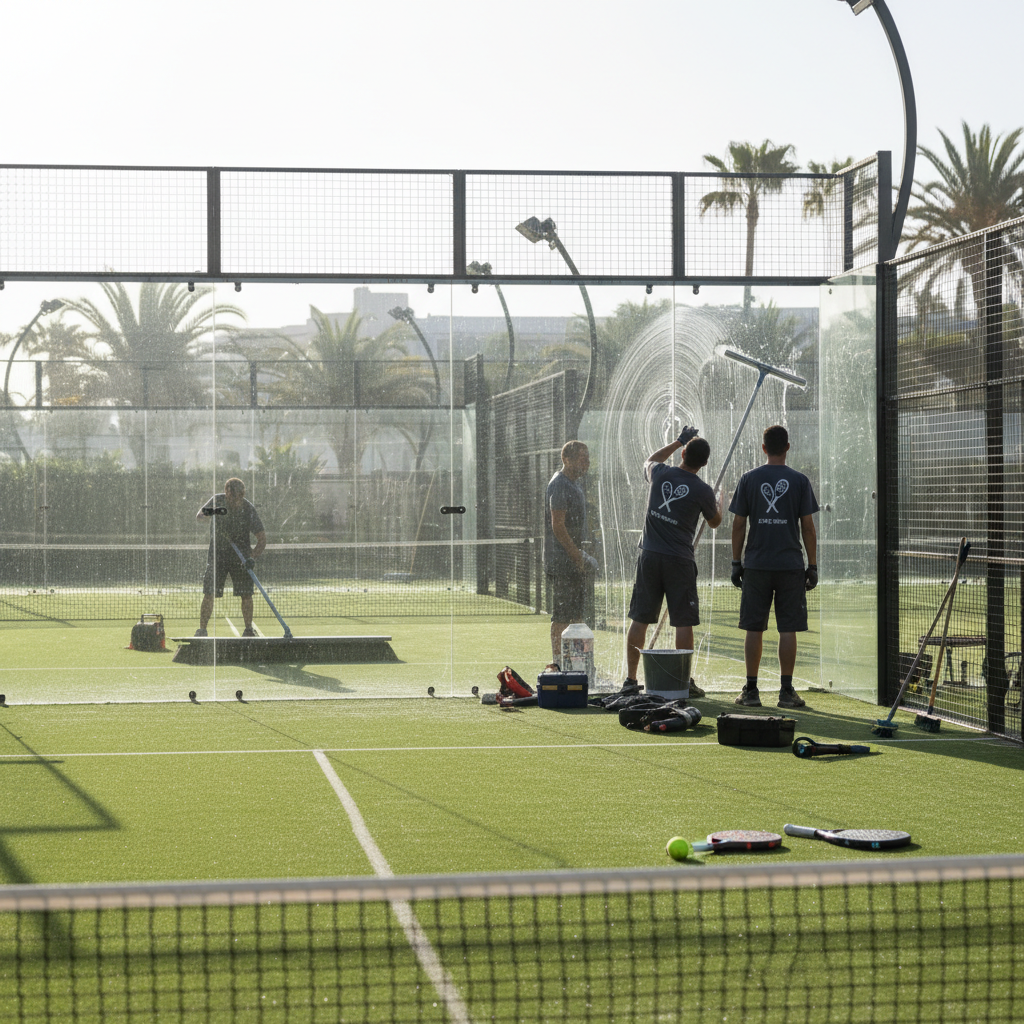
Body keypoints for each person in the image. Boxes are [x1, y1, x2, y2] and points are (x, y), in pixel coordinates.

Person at [623, 427, 722, 693]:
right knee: (683, 621)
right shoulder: (703, 490)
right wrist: (720, 503)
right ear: (704, 463)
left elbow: (650, 460)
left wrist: (678, 441)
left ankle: (631, 681)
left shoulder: (660, 472)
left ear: (683, 453)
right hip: (679, 561)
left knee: (639, 618)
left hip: (650, 556)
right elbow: (714, 522)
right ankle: (682, 683)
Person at [729, 424, 818, 709]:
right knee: (787, 628)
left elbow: (739, 523)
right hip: (791, 564)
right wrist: (813, 565)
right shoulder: (800, 480)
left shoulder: (748, 479)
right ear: (788, 447)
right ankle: (786, 691)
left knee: (754, 628)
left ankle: (752, 691)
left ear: (763, 447)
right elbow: (808, 528)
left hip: (756, 565)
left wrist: (735, 562)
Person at [544, 440, 597, 664]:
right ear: (567, 459)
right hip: (563, 563)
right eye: (582, 459)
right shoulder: (559, 484)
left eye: (587, 458)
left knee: (577, 617)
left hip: (575, 563)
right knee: (562, 617)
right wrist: (577, 556)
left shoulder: (575, 484)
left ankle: (578, 663)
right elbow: (558, 525)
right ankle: (557, 664)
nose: (586, 463)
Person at [195, 477, 266, 637]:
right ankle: (202, 630)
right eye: (228, 496)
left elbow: (262, 539)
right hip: (217, 557)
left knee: (246, 594)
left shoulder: (248, 509)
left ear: (242, 494)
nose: (231, 500)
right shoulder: (218, 500)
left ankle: (248, 630)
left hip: (241, 560)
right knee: (209, 592)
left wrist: (252, 557)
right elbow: (199, 516)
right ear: (226, 493)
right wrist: (217, 511)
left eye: (235, 497)